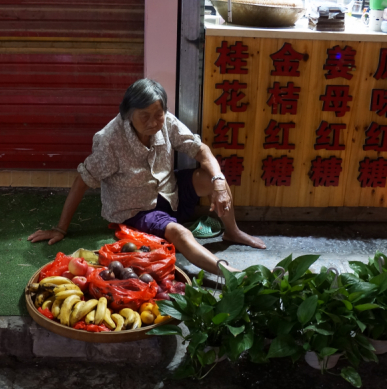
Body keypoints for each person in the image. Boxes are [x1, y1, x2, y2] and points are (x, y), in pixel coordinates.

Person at [27, 78, 266, 275]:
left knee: (213, 177)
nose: (154, 122)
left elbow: (201, 150)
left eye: (158, 114)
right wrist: (61, 228)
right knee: (180, 233)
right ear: (128, 114)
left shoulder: (166, 122)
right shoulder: (110, 141)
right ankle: (234, 275)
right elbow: (83, 181)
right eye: (145, 116)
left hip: (169, 193)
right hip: (136, 211)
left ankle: (232, 231)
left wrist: (219, 182)